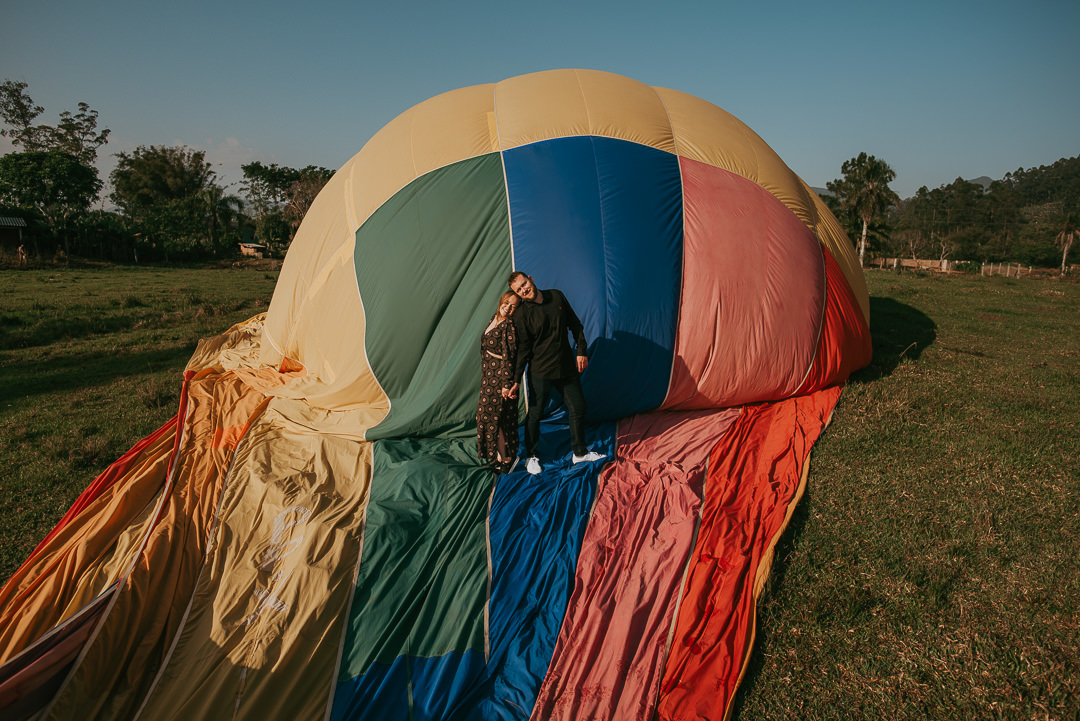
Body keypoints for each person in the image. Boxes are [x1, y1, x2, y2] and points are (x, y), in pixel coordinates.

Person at [507, 271, 605, 475]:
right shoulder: (521, 315)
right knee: (534, 414)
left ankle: (579, 453)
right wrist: (516, 380)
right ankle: (531, 456)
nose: (524, 289)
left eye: (525, 284)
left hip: (566, 367)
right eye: (519, 290)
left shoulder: (556, 296)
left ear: (531, 279)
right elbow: (523, 350)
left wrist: (581, 351)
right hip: (540, 372)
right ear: (517, 293)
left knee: (578, 408)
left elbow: (575, 325)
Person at [476, 291, 521, 473]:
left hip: (499, 377)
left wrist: (505, 384)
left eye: (513, 306)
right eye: (507, 303)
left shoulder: (509, 325)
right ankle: (501, 457)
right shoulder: (493, 318)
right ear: (501, 301)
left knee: (490, 416)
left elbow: (509, 356)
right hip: (488, 376)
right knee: (498, 419)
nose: (508, 308)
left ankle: (508, 459)